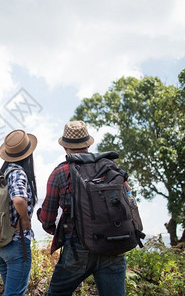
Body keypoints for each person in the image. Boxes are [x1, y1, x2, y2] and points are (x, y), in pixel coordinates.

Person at [37, 120, 128, 296]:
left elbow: (48, 218)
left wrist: (49, 226)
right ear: (88, 144)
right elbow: (128, 199)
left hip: (79, 249)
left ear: (65, 148)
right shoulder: (109, 167)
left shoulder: (60, 173)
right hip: (115, 244)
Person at [0, 129, 38, 296]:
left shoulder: (2, 174)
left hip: (0, 246)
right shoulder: (18, 172)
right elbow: (18, 199)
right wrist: (25, 220)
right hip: (17, 245)